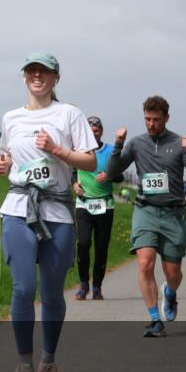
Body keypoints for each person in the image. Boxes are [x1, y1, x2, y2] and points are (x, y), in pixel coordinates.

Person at [0, 52, 96, 372]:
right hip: (18, 206)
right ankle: (25, 365)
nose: (38, 76)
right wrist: (3, 165)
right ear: (25, 77)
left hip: (57, 211)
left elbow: (90, 160)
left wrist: (57, 150)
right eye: (32, 71)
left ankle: (48, 362)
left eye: (45, 72)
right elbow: (9, 159)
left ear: (56, 78)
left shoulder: (69, 114)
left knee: (52, 294)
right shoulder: (11, 118)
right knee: (23, 289)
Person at [108, 95, 186, 337]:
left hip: (173, 213)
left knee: (173, 273)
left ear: (166, 118)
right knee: (145, 263)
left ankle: (170, 293)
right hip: (146, 210)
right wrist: (118, 144)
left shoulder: (179, 144)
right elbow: (112, 172)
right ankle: (155, 320)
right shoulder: (136, 143)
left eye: (156, 119)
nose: (151, 124)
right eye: (147, 119)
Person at [72, 116, 124, 300]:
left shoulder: (110, 150)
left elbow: (120, 177)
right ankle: (83, 284)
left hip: (105, 205)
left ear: (101, 131)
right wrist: (74, 184)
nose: (93, 133)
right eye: (90, 130)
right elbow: (72, 172)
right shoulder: (78, 149)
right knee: (83, 243)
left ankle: (97, 286)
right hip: (84, 204)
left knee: (102, 247)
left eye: (96, 130)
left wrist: (109, 175)